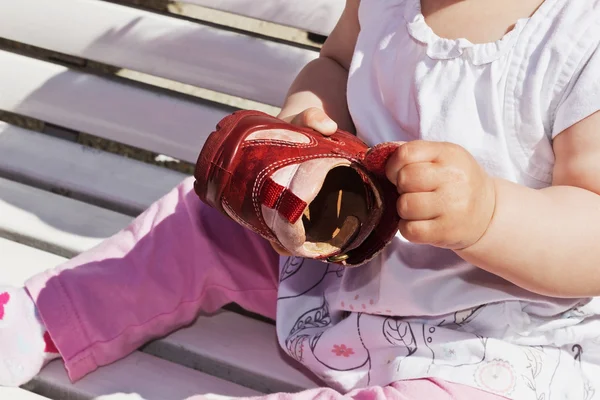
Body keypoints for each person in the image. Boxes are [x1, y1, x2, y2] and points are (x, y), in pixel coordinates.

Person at [2, 0, 600, 398]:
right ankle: (49, 313)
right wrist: (309, 121)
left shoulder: (580, 37)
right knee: (203, 224)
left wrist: (488, 214)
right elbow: (337, 62)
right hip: (344, 245)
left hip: (501, 333)